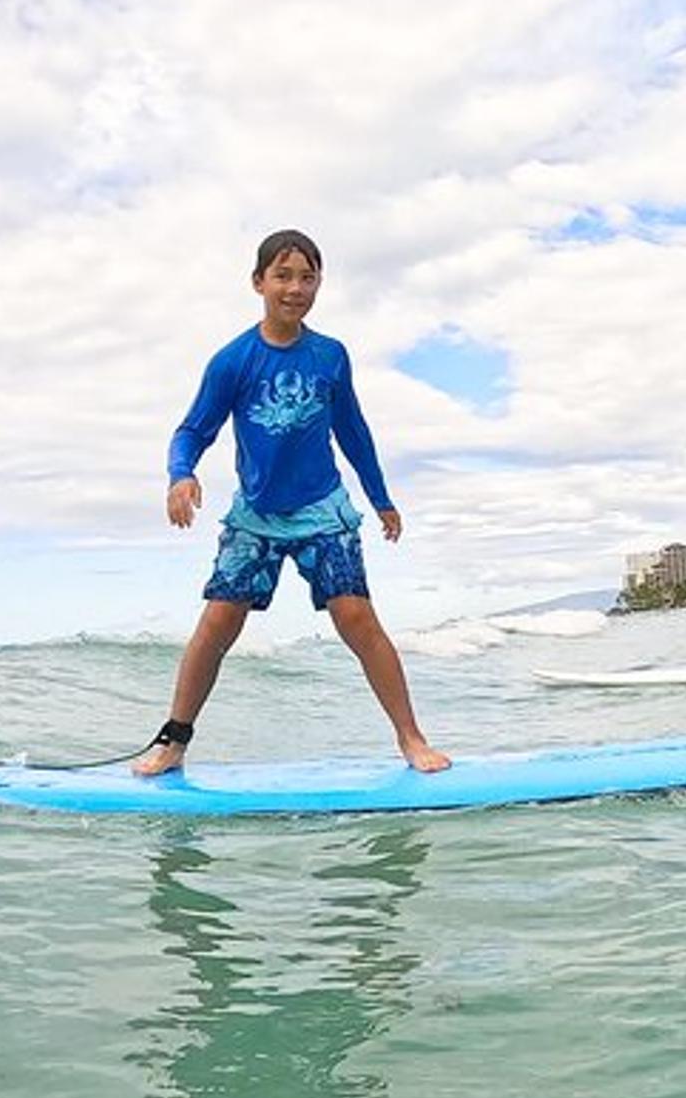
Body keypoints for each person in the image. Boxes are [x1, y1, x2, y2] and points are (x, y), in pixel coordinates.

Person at [132, 230, 449, 776]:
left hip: (322, 508)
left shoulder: (330, 355)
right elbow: (192, 430)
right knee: (219, 620)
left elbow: (353, 432)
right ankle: (174, 741)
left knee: (356, 615)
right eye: (283, 276)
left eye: (307, 277)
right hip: (257, 514)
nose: (295, 288)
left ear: (319, 284)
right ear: (259, 282)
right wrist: (181, 475)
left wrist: (381, 499)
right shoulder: (233, 361)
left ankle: (411, 737)